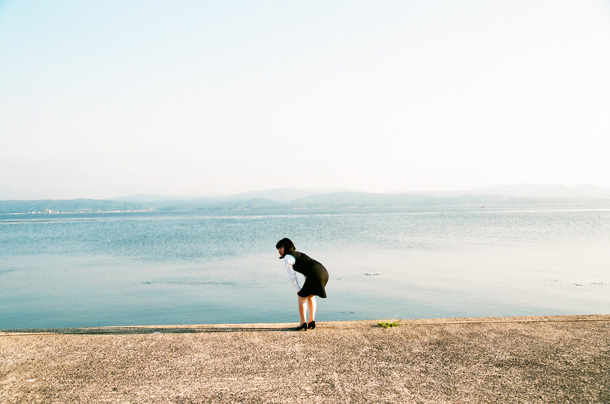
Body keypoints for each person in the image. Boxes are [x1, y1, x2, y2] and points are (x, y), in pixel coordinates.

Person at [276, 238, 329, 331]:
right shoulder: (298, 254)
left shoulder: (288, 257)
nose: (279, 251)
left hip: (315, 274)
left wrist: (297, 289)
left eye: (280, 248)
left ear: (286, 247)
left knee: (301, 297)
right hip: (323, 273)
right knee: (310, 295)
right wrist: (307, 284)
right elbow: (308, 269)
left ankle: (303, 323)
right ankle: (311, 321)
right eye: (278, 249)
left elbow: (291, 275)